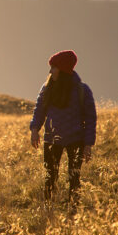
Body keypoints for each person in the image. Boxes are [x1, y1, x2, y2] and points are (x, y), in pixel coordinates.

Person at [29, 50, 97, 210]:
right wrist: (34, 129)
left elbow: (91, 118)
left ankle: (74, 212)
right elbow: (39, 110)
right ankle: (48, 210)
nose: (51, 71)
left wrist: (88, 144)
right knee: (50, 177)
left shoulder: (82, 90)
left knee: (74, 178)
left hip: (76, 140)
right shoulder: (47, 88)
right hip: (52, 139)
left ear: (64, 69)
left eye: (54, 67)